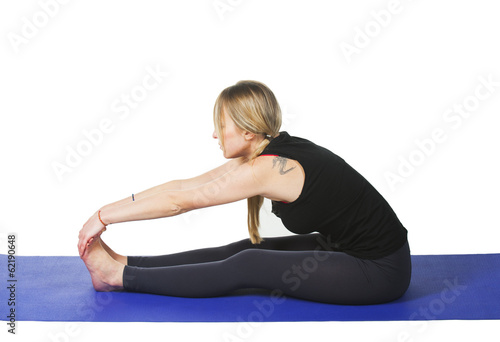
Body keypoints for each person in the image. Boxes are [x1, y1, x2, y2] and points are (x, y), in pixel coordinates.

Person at [78, 80, 411, 305]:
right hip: (339, 249)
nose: (214, 134)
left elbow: (180, 203)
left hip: (380, 269)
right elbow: (183, 186)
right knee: (243, 248)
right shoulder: (266, 152)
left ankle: (117, 277)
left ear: (249, 130)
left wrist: (103, 218)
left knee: (248, 264)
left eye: (221, 125)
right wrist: (105, 211)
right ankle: (126, 263)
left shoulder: (270, 167)